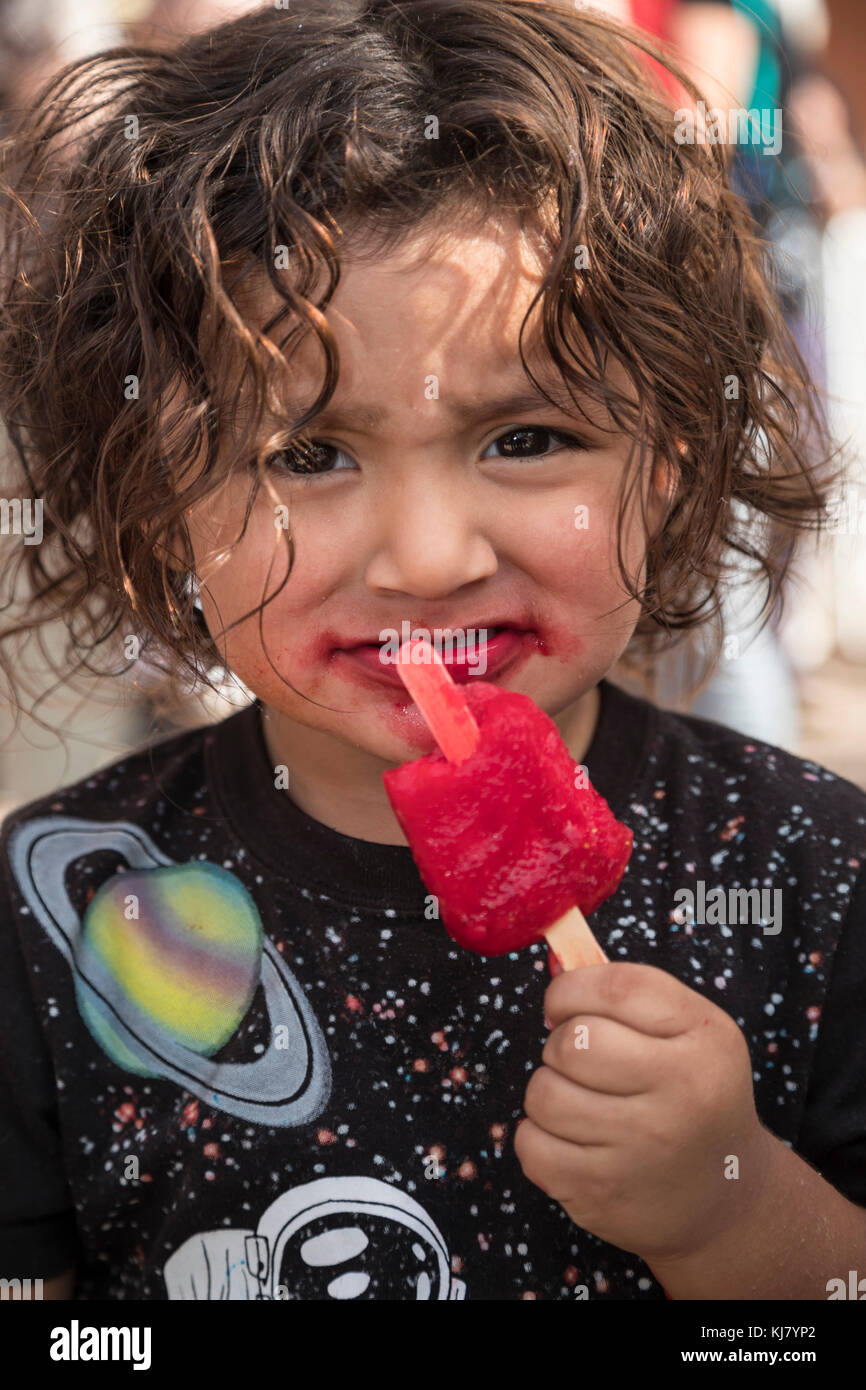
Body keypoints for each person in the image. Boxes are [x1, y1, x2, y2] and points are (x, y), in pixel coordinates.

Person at [0, 0, 863, 1303]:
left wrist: (731, 1203)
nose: (427, 554)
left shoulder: (816, 876)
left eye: (524, 437)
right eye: (309, 454)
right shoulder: (48, 911)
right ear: (157, 497)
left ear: (670, 466)